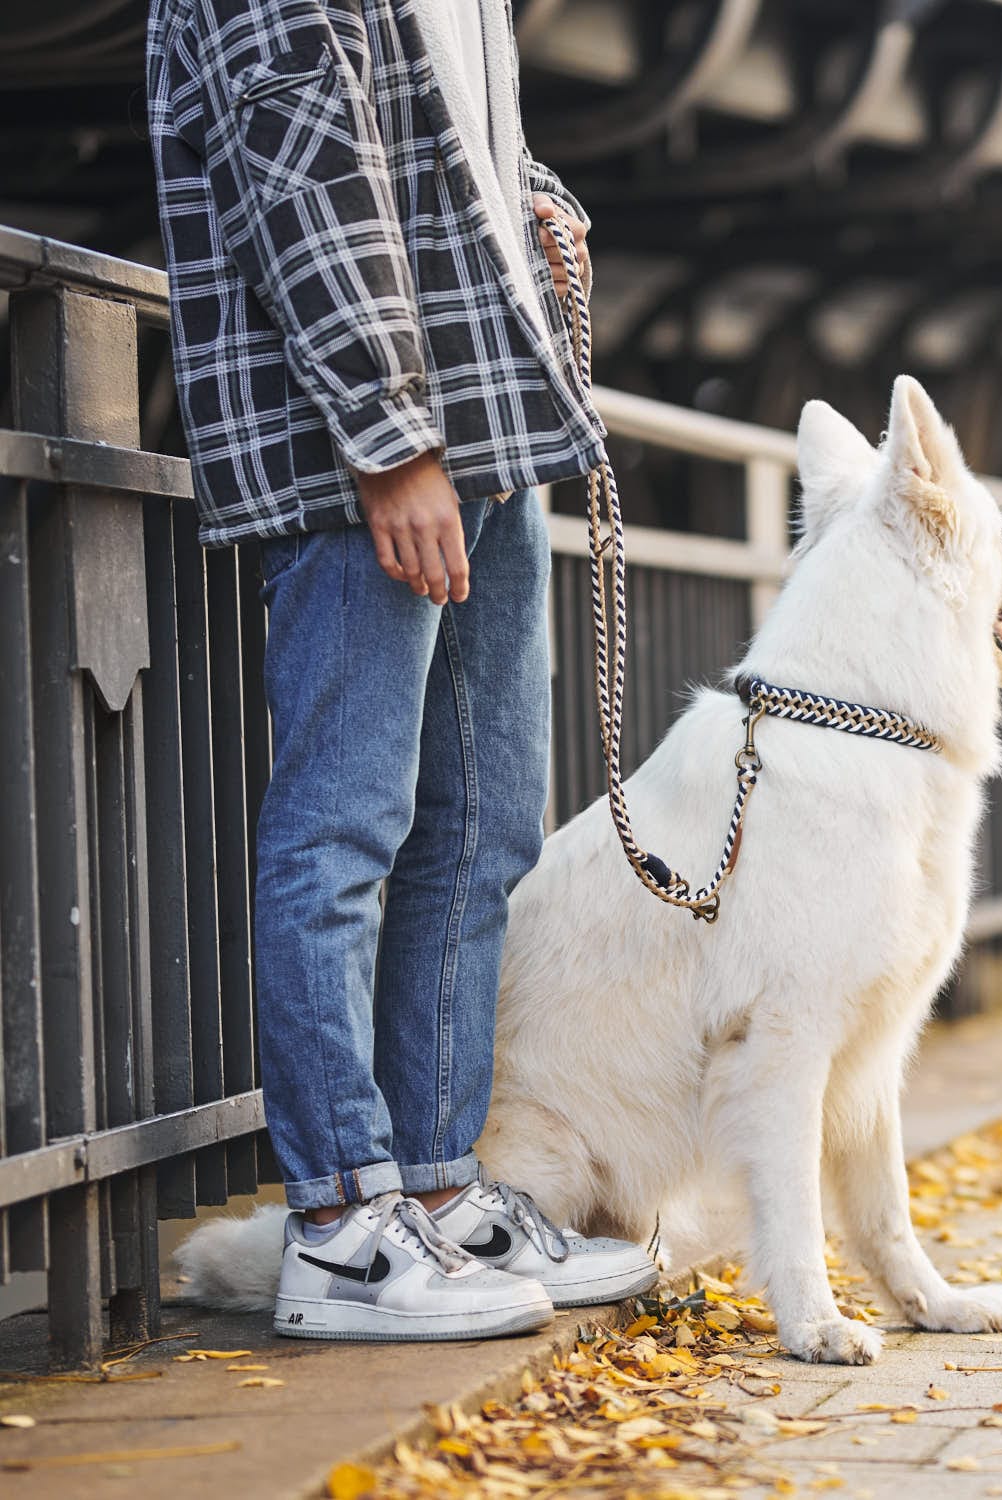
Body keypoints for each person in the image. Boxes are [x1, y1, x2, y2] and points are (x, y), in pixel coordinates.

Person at [146, 0, 658, 1341]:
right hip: (366, 451)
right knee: (344, 832)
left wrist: (529, 197)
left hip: (486, 419)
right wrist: (389, 436)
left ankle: (436, 1194)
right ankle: (340, 1231)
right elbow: (303, 162)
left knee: (483, 832)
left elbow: (430, 127)